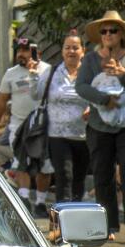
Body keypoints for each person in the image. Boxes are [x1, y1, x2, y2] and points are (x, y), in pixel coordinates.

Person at [76, 11, 125, 241]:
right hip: (100, 126)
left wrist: (124, 74)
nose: (108, 34)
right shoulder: (90, 59)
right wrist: (103, 98)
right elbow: (81, 87)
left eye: (113, 30)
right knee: (102, 174)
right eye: (104, 31)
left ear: (122, 34)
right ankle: (109, 224)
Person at [0, 38, 51, 215]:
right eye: (19, 50)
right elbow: (1, 101)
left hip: (43, 126)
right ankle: (24, 198)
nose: (20, 54)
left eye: (25, 50)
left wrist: (35, 74)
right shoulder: (11, 73)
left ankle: (40, 202)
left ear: (36, 53)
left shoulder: (48, 70)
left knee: (45, 166)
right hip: (18, 126)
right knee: (20, 161)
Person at [42, 32, 91, 206]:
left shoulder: (90, 73)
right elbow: (35, 96)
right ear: (62, 51)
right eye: (67, 47)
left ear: (83, 51)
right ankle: (62, 222)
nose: (71, 51)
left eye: (75, 48)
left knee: (78, 178)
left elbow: (101, 96)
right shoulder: (51, 72)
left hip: (84, 135)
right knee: (64, 175)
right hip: (57, 134)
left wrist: (92, 107)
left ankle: (76, 218)